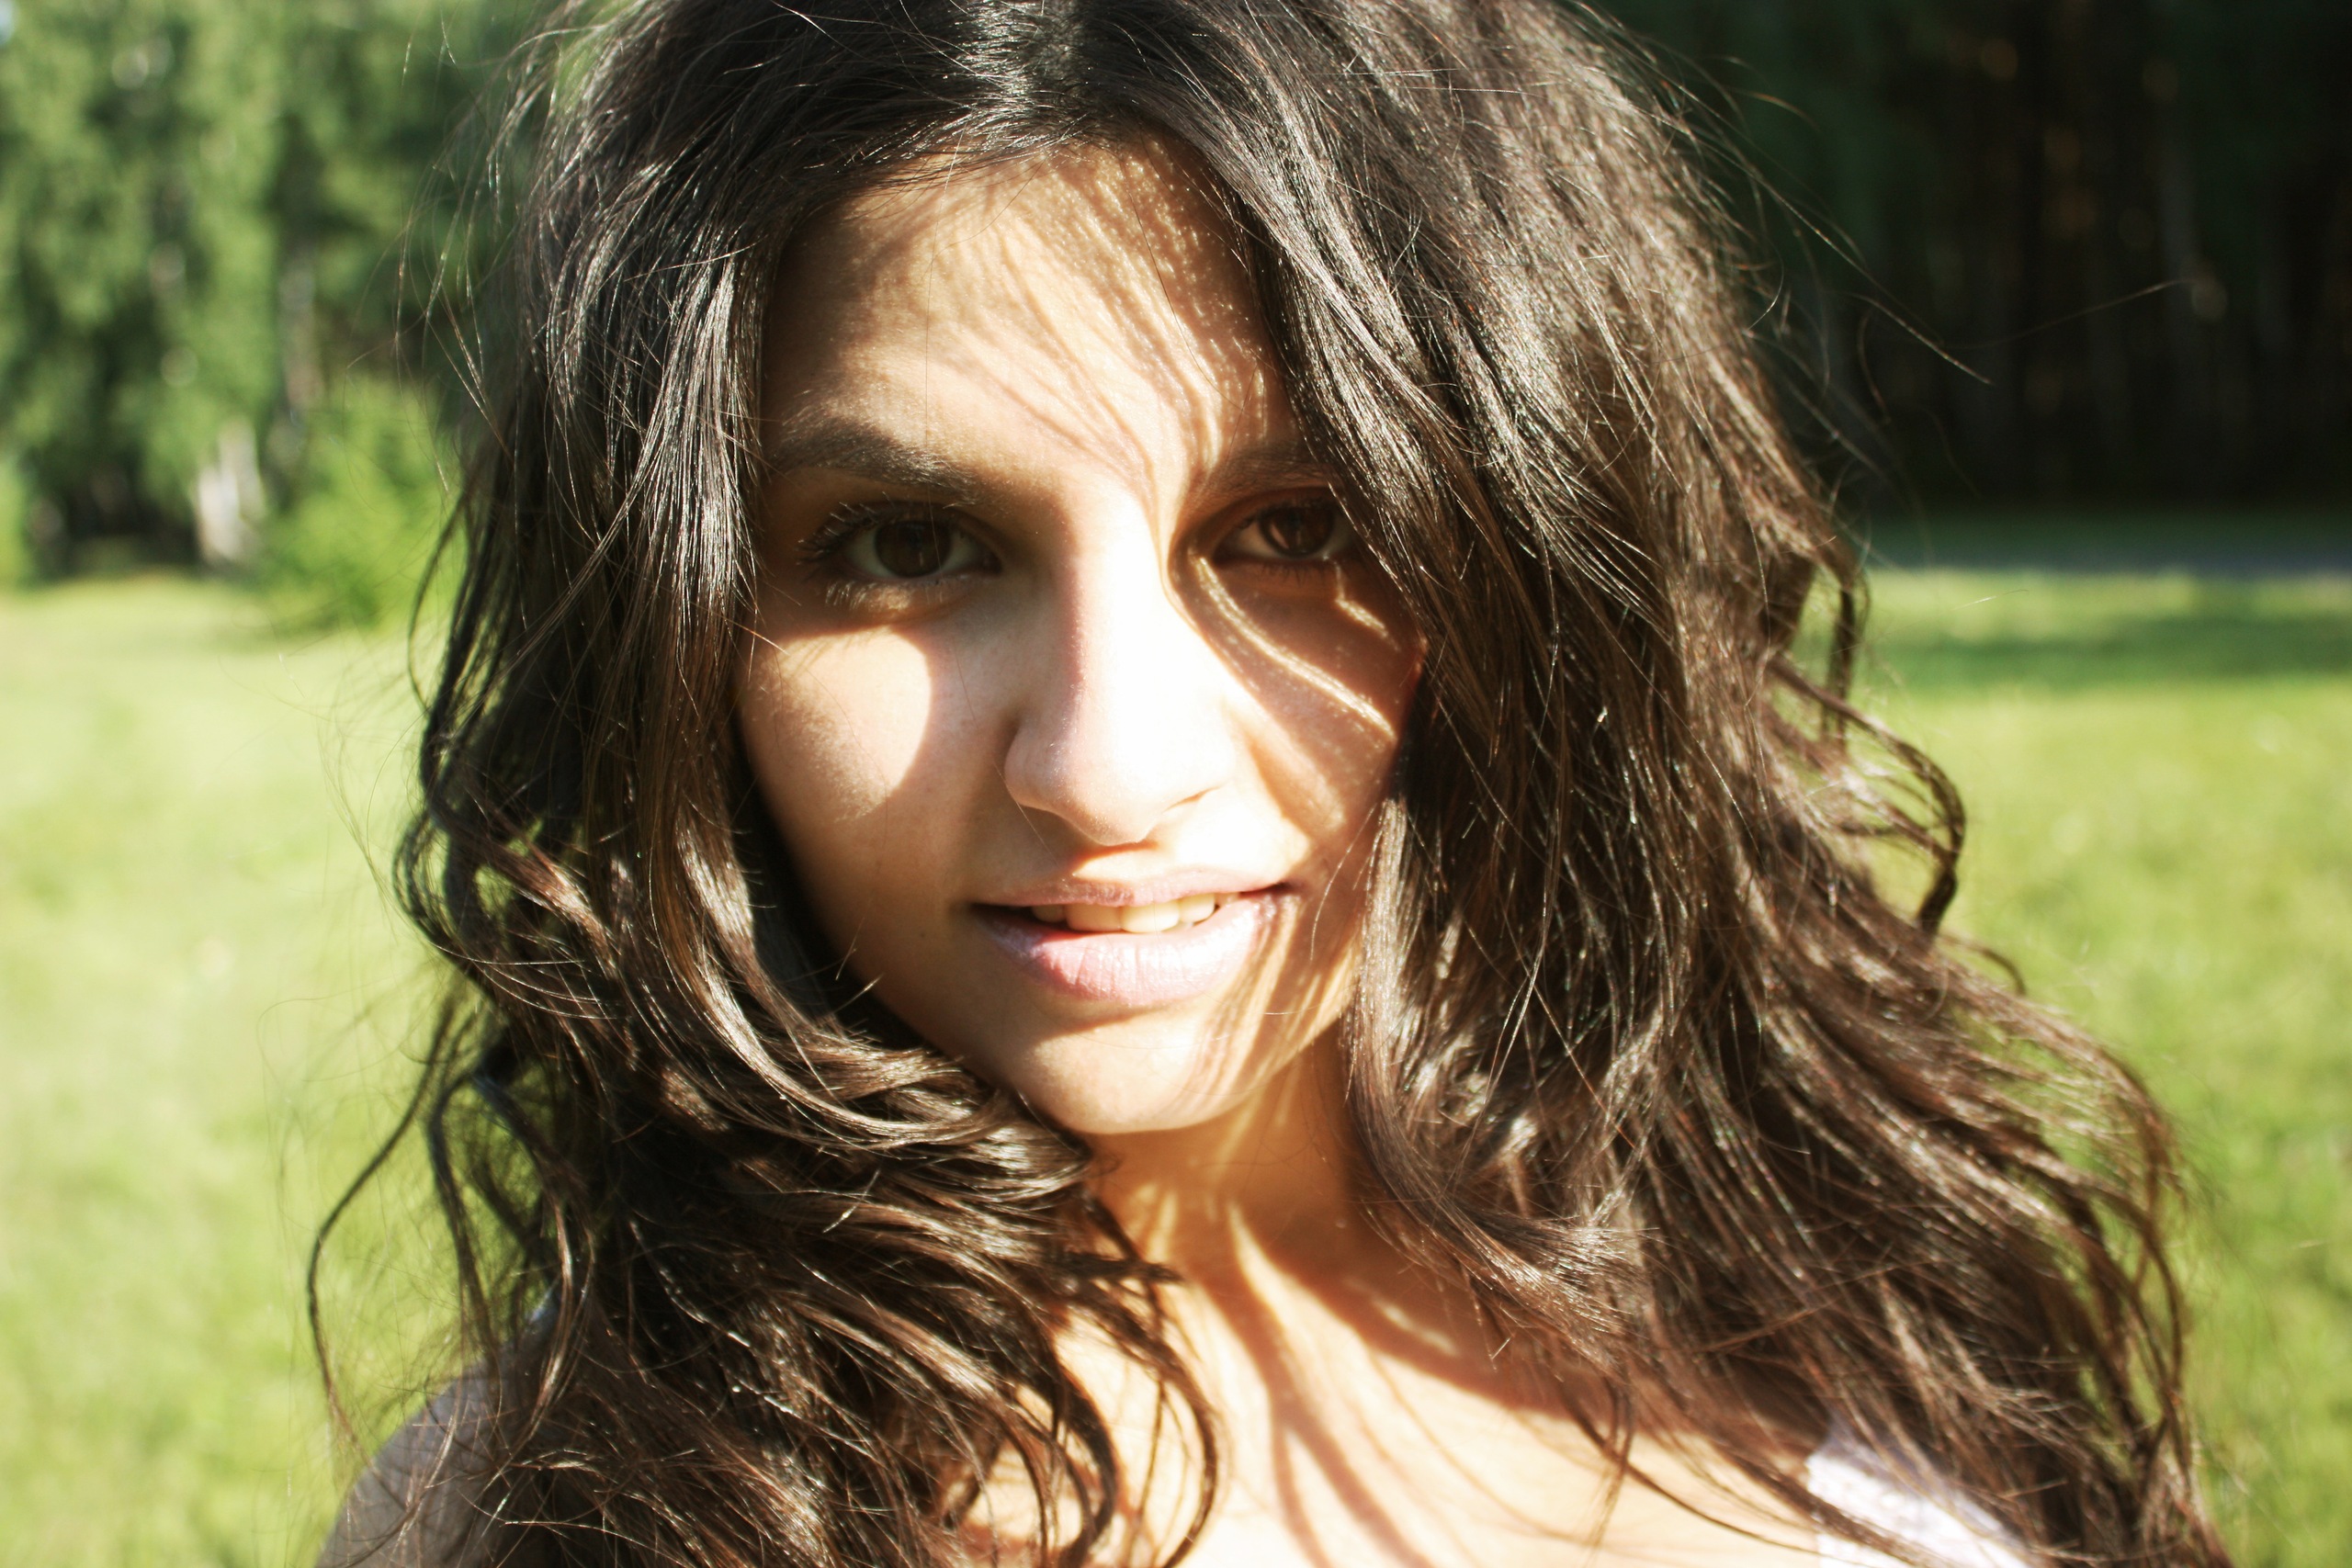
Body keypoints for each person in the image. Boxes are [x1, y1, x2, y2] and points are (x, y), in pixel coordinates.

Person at [318, 2, 2230, 1564]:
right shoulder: (566, 1510)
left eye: (1297, 528)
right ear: (676, 640)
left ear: (1544, 559)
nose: (1105, 768)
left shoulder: (1832, 1242)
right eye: (905, 546)